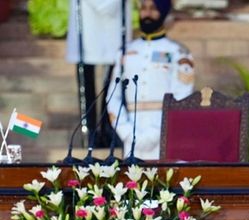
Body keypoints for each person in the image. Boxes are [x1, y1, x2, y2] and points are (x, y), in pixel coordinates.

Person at [107, 0, 195, 160]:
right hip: (131, 133)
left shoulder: (178, 52)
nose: (147, 13)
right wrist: (126, 132)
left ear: (163, 12)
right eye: (143, 8)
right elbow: (113, 96)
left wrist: (156, 132)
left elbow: (183, 97)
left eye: (153, 9)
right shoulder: (126, 51)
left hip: (167, 132)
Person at [66, 0, 132, 148]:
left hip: (113, 21)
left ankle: (106, 130)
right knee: (88, 78)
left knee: (113, 79)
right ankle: (91, 132)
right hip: (86, 19)